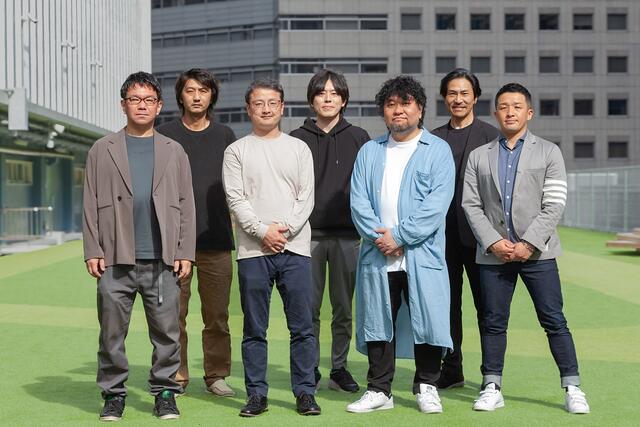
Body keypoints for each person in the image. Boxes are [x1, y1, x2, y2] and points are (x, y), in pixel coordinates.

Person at [462, 83, 590, 414]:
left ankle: (572, 387)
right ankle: (492, 386)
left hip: (539, 254)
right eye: (504, 107)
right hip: (494, 255)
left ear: (529, 113)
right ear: (495, 113)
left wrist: (529, 243)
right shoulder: (479, 155)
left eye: (517, 106)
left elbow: (555, 203)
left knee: (554, 319)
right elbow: (471, 205)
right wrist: (494, 242)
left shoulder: (549, 152)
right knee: (493, 322)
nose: (510, 112)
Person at [82, 71, 195, 421]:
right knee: (111, 333)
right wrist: (93, 248)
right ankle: (113, 394)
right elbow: (90, 201)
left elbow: (186, 204)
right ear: (123, 105)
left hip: (162, 259)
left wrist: (184, 252)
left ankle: (165, 392)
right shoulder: (102, 149)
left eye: (148, 100)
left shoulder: (174, 151)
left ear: (159, 106)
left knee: (167, 333)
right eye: (135, 99)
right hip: (115, 257)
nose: (142, 105)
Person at [347, 75, 455, 414]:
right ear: (383, 111)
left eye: (405, 103)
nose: (398, 110)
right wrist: (381, 238)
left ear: (420, 109)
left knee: (429, 317)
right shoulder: (369, 151)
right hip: (378, 254)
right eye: (391, 104)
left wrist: (400, 237)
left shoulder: (438, 151)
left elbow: (436, 205)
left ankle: (427, 386)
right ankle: (379, 389)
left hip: (422, 254)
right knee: (378, 319)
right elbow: (358, 202)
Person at [222, 79, 321, 417]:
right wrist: (263, 231)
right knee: (254, 329)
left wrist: (285, 230)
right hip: (253, 251)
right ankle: (256, 394)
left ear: (282, 107)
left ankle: (305, 392)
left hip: (296, 250)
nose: (266, 109)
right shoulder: (236, 151)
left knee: (302, 328)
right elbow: (236, 199)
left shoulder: (299, 148)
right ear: (248, 109)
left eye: (272, 103)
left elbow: (306, 197)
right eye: (258, 103)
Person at [157, 68, 237, 397]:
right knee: (173, 315)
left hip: (216, 239)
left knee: (216, 315)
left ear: (212, 95)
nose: (197, 96)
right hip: (174, 243)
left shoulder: (225, 135)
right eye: (190, 90)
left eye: (203, 91)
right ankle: (176, 374)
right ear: (180, 95)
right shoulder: (164, 134)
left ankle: (216, 374)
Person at [290, 69, 369, 393]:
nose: (327, 98)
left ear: (343, 100)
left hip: (348, 236)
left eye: (334, 93)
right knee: (307, 309)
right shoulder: (295, 138)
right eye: (321, 93)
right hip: (305, 236)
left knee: (343, 309)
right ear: (312, 100)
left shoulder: (359, 137)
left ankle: (339, 367)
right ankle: (309, 369)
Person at [431, 68, 500, 389]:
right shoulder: (433, 139)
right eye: (452, 93)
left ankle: (490, 374)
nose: (458, 99)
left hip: (482, 239)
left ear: (475, 97)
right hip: (441, 239)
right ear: (444, 98)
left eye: (464, 93)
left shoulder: (491, 137)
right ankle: (452, 368)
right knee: (447, 307)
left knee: (487, 308)